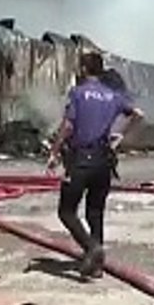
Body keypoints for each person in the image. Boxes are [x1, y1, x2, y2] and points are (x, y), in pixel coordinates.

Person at [46, 52, 143, 279]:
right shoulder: (113, 95)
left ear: (82, 69)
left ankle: (92, 248)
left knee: (66, 211)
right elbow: (138, 114)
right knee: (95, 211)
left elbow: (68, 125)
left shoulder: (78, 93)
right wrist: (120, 136)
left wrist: (54, 152)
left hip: (81, 160)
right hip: (104, 161)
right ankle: (97, 265)